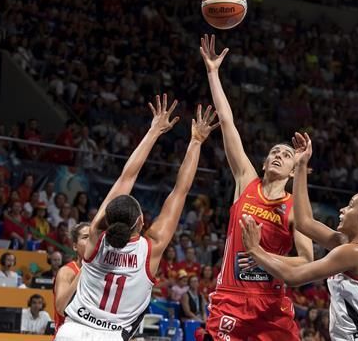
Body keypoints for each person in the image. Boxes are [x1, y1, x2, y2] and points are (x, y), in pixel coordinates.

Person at [56, 95, 218, 341]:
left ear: (106, 219)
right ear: (141, 221)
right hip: (112, 336)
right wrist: (196, 141)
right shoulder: (151, 247)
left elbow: (125, 178)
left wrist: (153, 131)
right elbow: (180, 191)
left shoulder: (96, 237)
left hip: (71, 331)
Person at [239, 133, 358, 341]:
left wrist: (256, 251)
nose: (343, 209)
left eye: (351, 205)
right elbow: (304, 222)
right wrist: (301, 166)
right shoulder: (349, 244)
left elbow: (294, 277)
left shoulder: (356, 252)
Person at [200, 34, 313, 341]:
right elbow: (227, 122)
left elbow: (307, 262)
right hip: (230, 298)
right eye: (274, 152)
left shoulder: (295, 208)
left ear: (292, 170)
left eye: (286, 154)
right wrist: (213, 72)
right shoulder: (246, 182)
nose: (279, 155)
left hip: (271, 306)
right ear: (264, 164)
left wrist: (263, 256)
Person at [53, 223, 89, 334]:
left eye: (93, 237)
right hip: (67, 335)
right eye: (85, 237)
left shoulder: (102, 273)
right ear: (75, 246)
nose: (91, 241)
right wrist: (87, 267)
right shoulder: (67, 272)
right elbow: (60, 308)